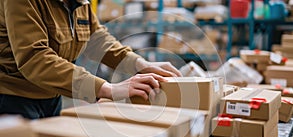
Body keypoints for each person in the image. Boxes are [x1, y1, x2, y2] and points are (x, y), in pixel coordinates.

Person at [0, 0, 181, 119]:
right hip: (13, 99)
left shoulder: (79, 2)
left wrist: (140, 64)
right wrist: (106, 89)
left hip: (51, 95)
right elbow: (35, 58)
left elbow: (96, 38)